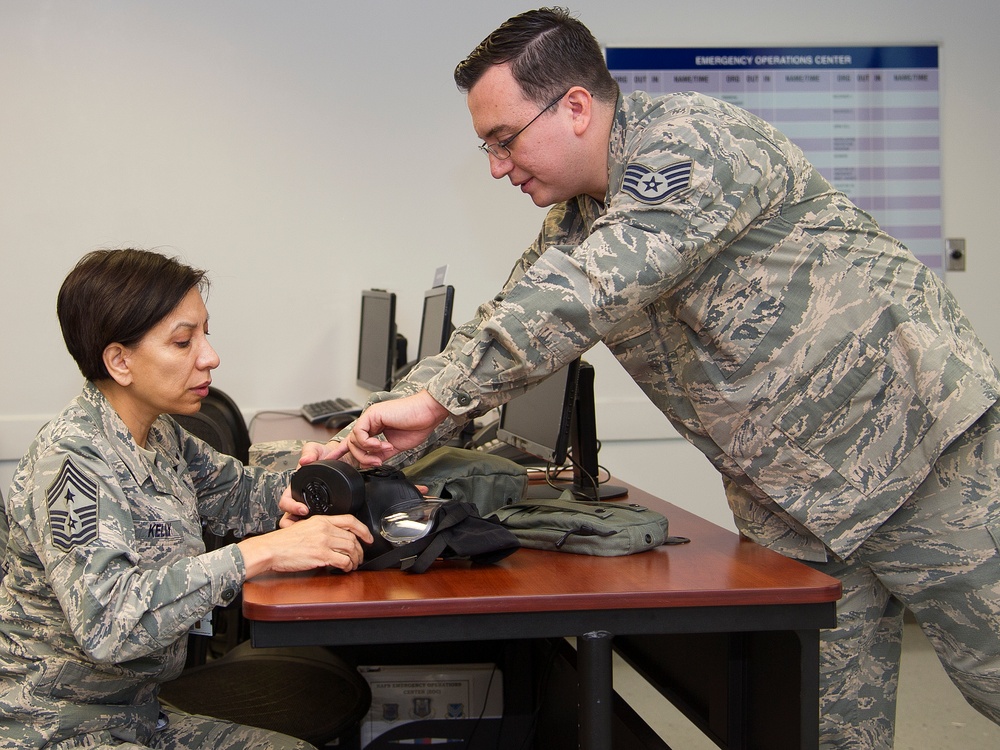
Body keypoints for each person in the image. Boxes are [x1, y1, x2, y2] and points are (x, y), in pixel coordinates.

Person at [307, 7, 1000, 749]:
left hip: (920, 462)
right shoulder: (579, 221)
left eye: (504, 141)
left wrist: (439, 399)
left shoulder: (692, 145)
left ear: (574, 106)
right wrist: (368, 435)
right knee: (817, 731)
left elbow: (584, 293)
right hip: (795, 504)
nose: (497, 167)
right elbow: (502, 319)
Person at [0, 248, 373, 749]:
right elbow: (109, 625)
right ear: (120, 361)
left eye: (204, 334)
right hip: (59, 728)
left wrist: (332, 468)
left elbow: (243, 494)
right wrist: (262, 554)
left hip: (136, 712)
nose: (209, 357)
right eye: (183, 341)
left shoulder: (158, 435)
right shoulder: (72, 463)